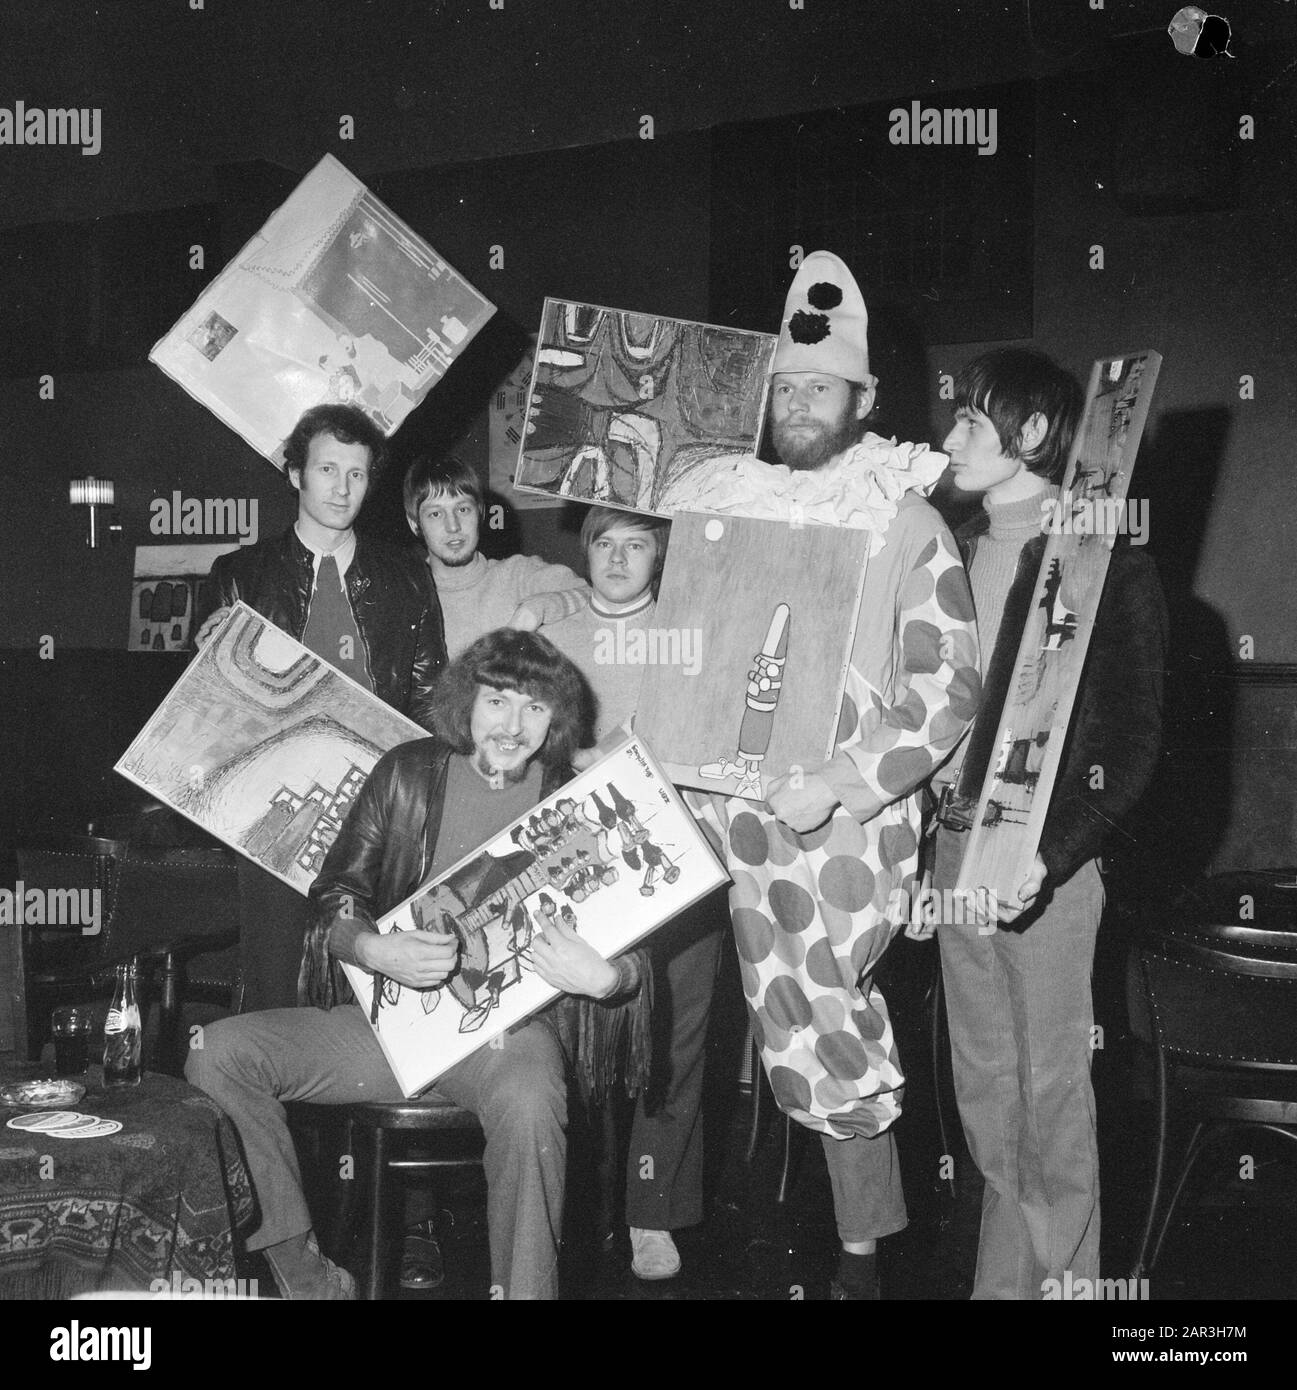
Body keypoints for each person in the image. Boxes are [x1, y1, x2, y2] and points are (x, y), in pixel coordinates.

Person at [664, 251, 982, 1299]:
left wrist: (844, 781)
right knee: (769, 1009)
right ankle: (760, 1225)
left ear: (865, 398)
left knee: (827, 1016)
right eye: (786, 388)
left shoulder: (907, 519)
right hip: (734, 810)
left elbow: (945, 691)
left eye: (821, 388)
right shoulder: (739, 506)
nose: (799, 404)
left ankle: (862, 1257)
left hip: (845, 825)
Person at [186, 629, 652, 1301]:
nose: (512, 725)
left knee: (530, 1102)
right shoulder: (407, 772)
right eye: (497, 701)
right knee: (218, 1053)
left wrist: (607, 978)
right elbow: (335, 895)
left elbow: (640, 953)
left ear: (556, 720)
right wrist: (370, 947)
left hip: (508, 1041)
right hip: (388, 1029)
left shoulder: (579, 797)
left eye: (534, 707)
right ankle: (305, 1276)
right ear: (467, 702)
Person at [915, 347, 1166, 1299]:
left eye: (970, 422)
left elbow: (1130, 746)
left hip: (1045, 870)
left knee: (1052, 1096)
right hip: (950, 851)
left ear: (1028, 434)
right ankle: (1002, 1284)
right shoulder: (941, 548)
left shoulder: (1105, 560)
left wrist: (1049, 857)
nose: (949, 438)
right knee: (985, 1092)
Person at [193, 405, 447, 1011]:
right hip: (272, 809)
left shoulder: (408, 574)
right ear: (295, 474)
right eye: (327, 469)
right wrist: (203, 666)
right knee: (277, 989)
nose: (341, 488)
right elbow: (206, 718)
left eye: (356, 474)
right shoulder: (239, 573)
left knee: (373, 996)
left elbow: (431, 700)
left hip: (376, 811)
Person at [540, 505, 726, 1281]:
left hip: (676, 855)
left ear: (660, 555)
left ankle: (652, 1210)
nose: (617, 560)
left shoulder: (696, 632)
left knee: (674, 1034)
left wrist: (641, 753)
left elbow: (723, 732)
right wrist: (578, 759)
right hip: (574, 860)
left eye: (636, 545)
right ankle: (563, 1203)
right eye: (604, 544)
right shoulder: (551, 630)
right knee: (563, 1038)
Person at [404, 453, 587, 658]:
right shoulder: (406, 598)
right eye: (436, 514)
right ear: (415, 523)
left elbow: (593, 596)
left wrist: (537, 609)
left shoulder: (517, 574)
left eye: (463, 509)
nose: (453, 526)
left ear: (480, 512)